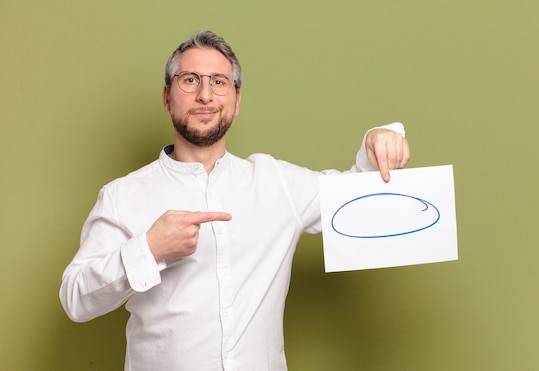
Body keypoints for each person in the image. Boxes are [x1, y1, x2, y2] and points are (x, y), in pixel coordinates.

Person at [60, 30, 410, 371]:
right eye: (190, 81)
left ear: (236, 101)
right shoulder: (123, 196)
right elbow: (75, 298)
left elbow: (358, 198)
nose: (205, 96)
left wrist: (378, 139)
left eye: (219, 82)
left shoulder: (276, 182)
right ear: (167, 97)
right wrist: (149, 248)